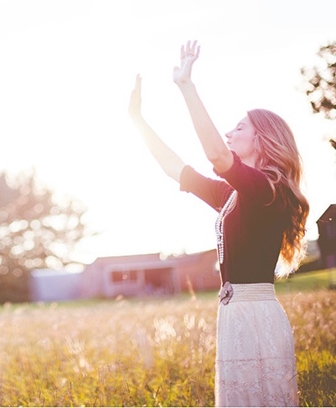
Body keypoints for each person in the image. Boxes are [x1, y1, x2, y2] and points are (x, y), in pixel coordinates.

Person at [127, 41, 308, 407]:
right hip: (233, 316)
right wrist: (138, 122)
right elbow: (176, 169)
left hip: (257, 317)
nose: (229, 133)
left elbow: (216, 154)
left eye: (239, 127)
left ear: (262, 138)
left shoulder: (268, 190)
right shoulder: (233, 193)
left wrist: (187, 87)